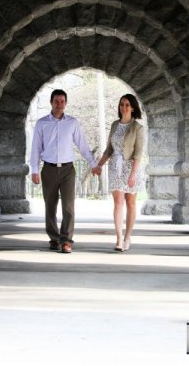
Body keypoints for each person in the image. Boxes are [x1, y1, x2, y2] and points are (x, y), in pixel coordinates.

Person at [30, 89, 96, 254]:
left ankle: (66, 241)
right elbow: (35, 148)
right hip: (49, 169)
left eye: (62, 101)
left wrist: (93, 164)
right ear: (51, 103)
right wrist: (35, 170)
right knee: (50, 206)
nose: (59, 104)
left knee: (68, 207)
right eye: (56, 101)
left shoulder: (72, 123)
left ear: (65, 103)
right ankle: (54, 238)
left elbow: (82, 145)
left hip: (68, 170)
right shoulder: (41, 123)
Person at [92, 94, 144, 252]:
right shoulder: (115, 125)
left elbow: (138, 153)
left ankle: (128, 237)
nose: (124, 107)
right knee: (118, 202)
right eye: (122, 104)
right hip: (115, 166)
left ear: (133, 107)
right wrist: (98, 166)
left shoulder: (138, 128)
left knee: (130, 202)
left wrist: (133, 174)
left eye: (127, 105)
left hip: (130, 167)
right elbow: (109, 149)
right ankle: (119, 239)